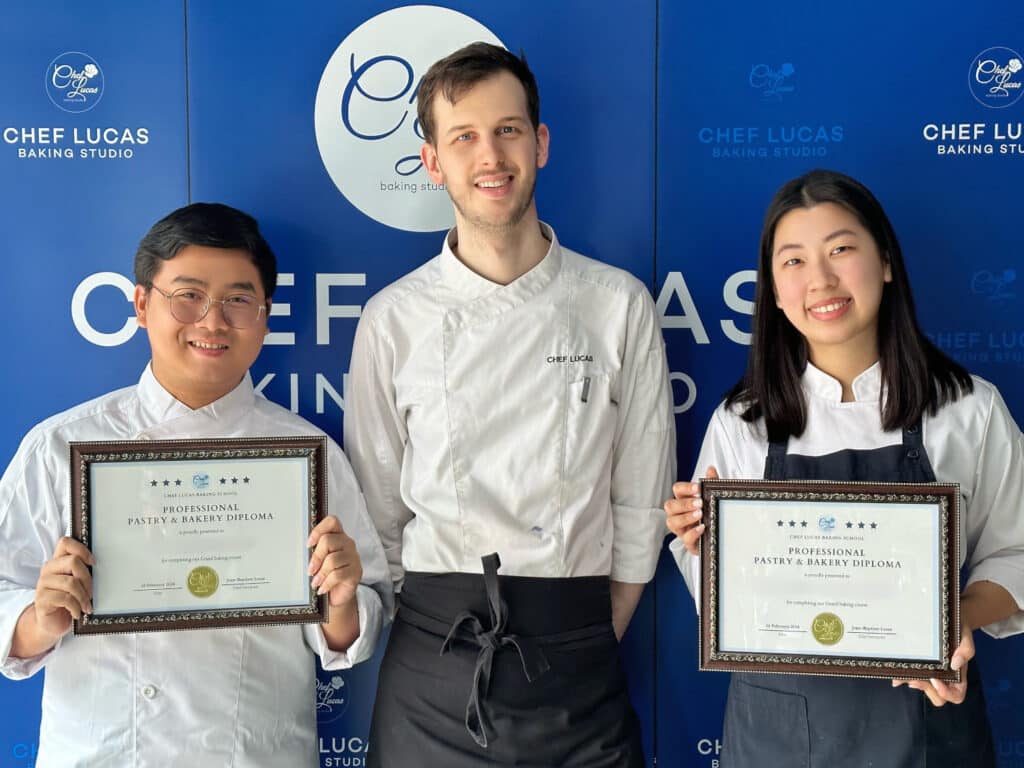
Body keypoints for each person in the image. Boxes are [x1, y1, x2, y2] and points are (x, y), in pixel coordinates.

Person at [344, 42, 675, 767]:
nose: (490, 156)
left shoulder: (617, 304)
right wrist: (429, 623)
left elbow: (640, 498)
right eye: (463, 137)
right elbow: (377, 513)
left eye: (508, 130)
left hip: (579, 662)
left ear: (541, 143)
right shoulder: (393, 319)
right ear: (433, 162)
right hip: (432, 662)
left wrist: (585, 633)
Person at [0, 203, 392, 767]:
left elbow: (361, 622)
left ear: (264, 314)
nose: (212, 322)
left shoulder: (307, 457)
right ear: (140, 304)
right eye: (187, 296)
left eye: (237, 300)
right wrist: (40, 619)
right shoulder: (59, 447)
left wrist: (340, 601)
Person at [666, 169, 1023, 767]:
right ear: (775, 292)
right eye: (795, 262)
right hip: (777, 733)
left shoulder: (967, 407)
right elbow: (720, 594)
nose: (821, 279)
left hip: (927, 727)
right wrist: (702, 541)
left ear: (885, 262)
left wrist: (952, 622)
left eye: (840, 250)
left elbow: (1017, 549)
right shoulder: (741, 421)